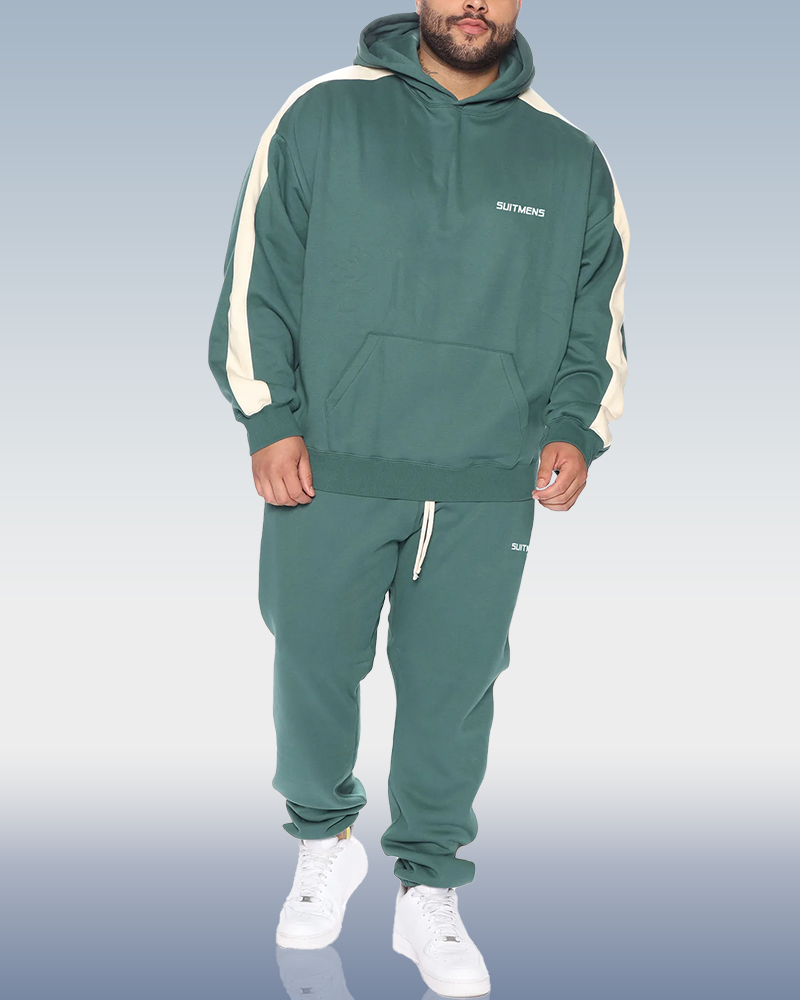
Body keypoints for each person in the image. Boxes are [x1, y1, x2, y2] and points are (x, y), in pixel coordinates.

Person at [208, 2, 629, 996]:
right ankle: (323, 838)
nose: (471, 3)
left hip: (485, 480)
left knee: (454, 688)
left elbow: (597, 317)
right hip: (331, 465)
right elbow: (256, 274)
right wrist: (269, 417)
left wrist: (576, 428)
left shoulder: (569, 157)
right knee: (311, 664)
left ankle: (429, 884)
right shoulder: (321, 115)